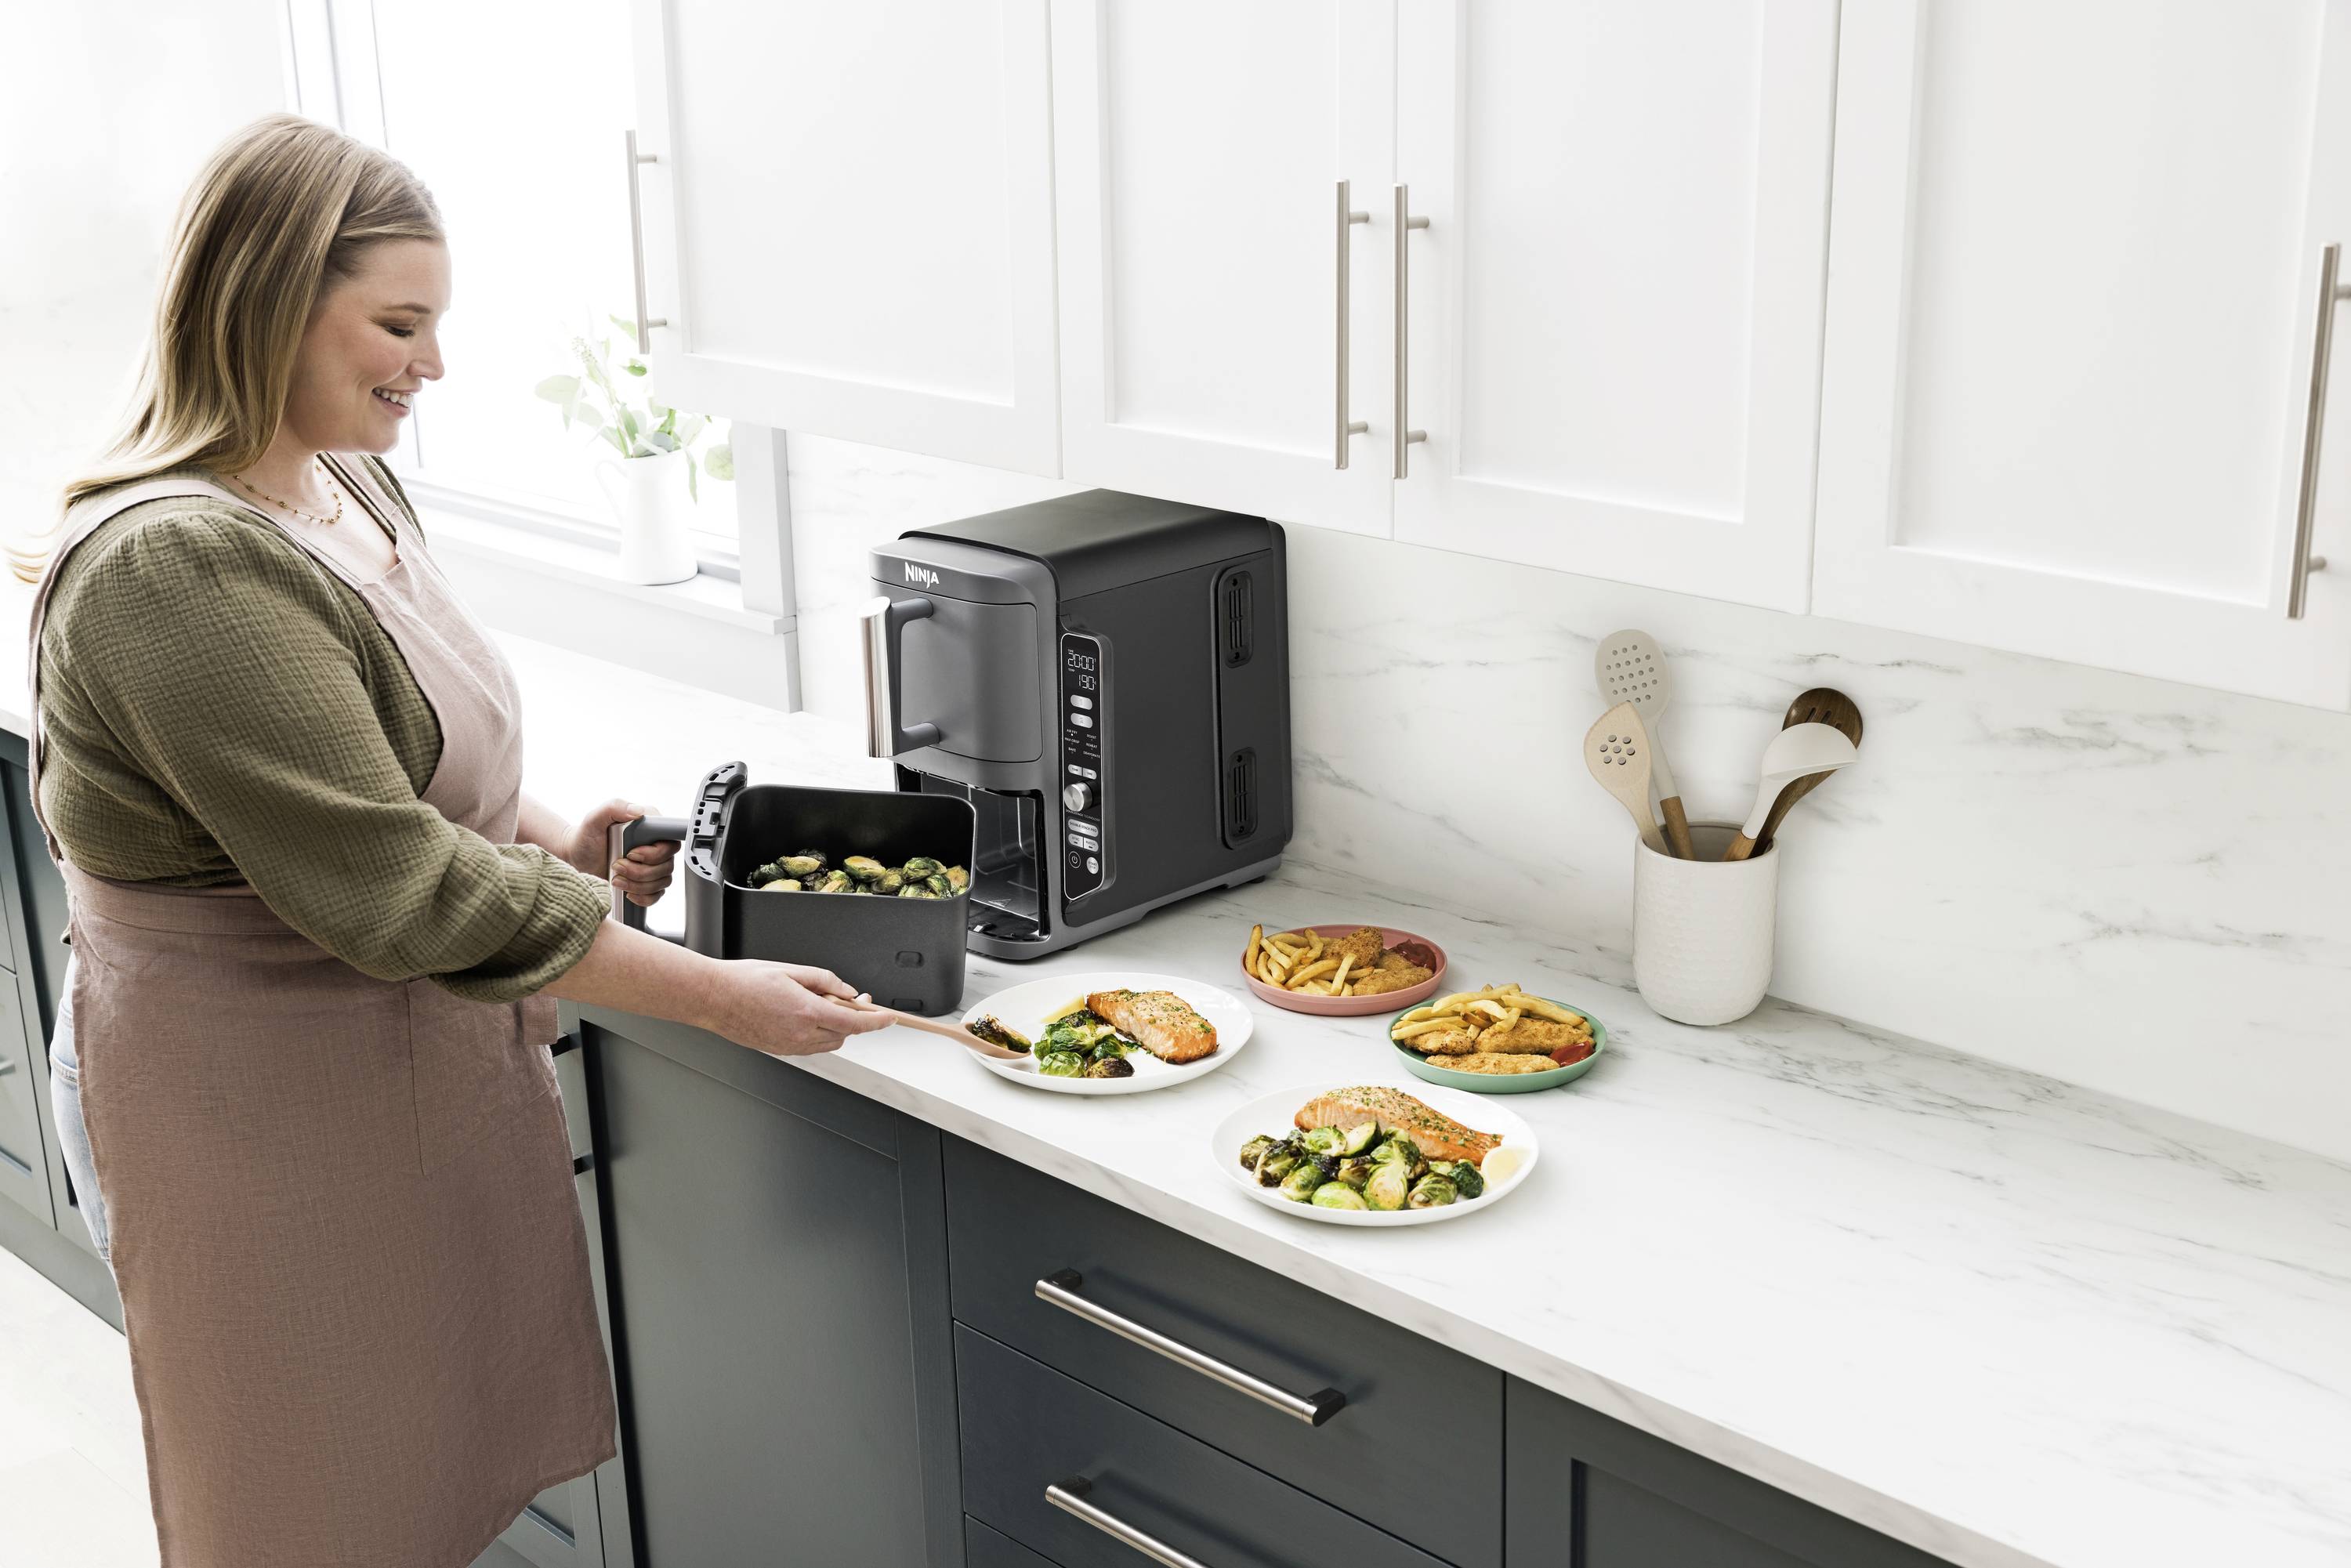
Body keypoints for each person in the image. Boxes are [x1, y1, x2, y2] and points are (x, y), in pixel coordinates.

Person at [26, 113, 894, 1568]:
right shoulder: (176, 562)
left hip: (378, 1068)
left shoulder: (332, 477)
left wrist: (558, 837)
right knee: (299, 1502)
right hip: (243, 1104)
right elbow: (401, 884)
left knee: (410, 1483)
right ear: (268, 300)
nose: (432, 365)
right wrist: (721, 995)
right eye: (401, 323)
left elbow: (391, 754)